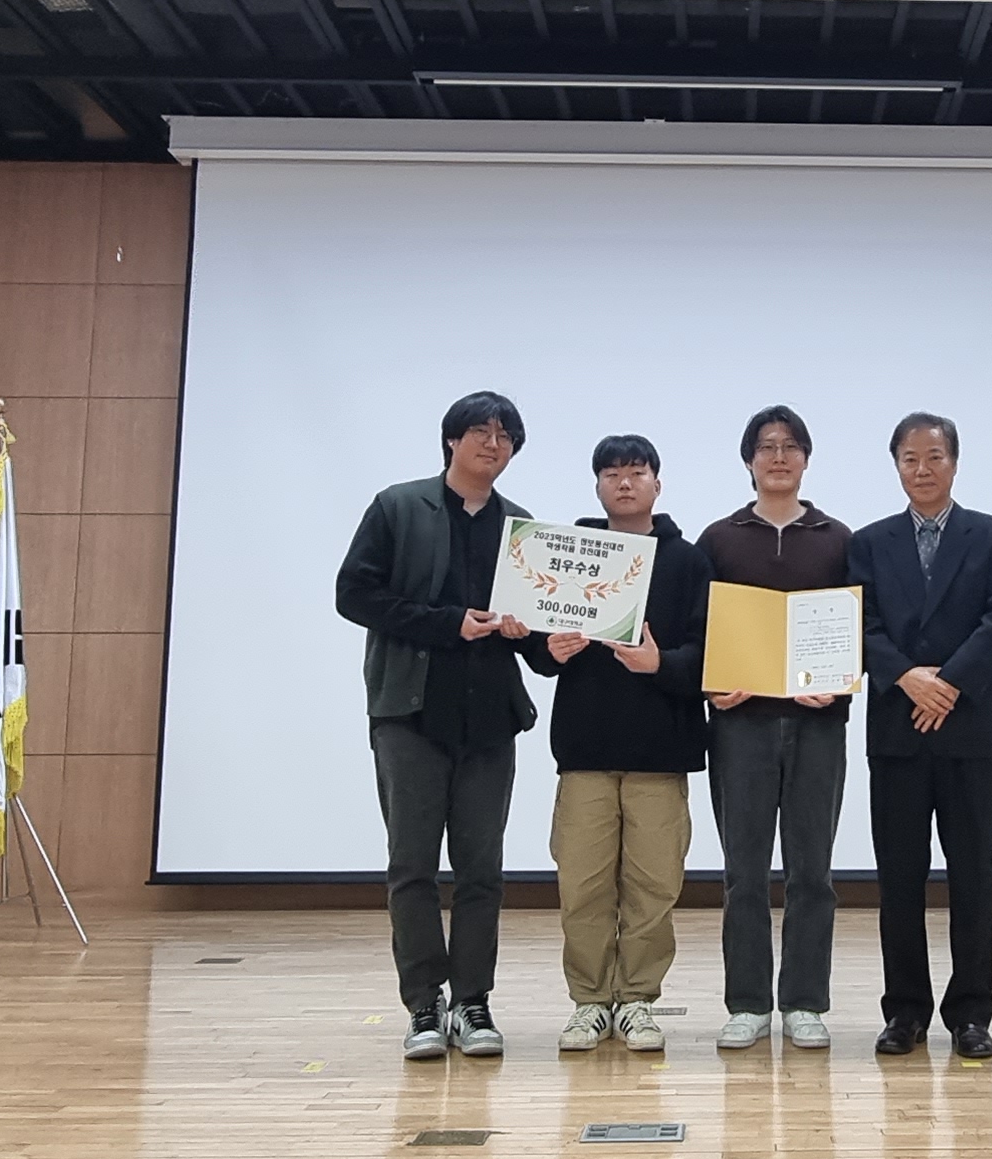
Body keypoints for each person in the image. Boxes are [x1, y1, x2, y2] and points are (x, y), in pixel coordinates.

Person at [331, 391, 539, 1062]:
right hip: (410, 713)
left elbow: (536, 640)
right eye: (480, 431)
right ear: (452, 439)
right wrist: (448, 623)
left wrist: (543, 640)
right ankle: (425, 1003)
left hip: (490, 720)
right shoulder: (398, 506)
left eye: (505, 435)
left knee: (482, 870)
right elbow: (354, 594)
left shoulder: (522, 529)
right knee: (412, 866)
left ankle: (473, 1001)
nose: (492, 444)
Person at [522, 436, 713, 1054]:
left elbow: (711, 652)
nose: (624, 483)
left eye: (636, 472)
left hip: (661, 750)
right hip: (585, 750)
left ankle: (636, 1001)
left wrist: (662, 663)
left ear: (658, 482)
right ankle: (588, 1002)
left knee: (654, 886)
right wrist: (546, 649)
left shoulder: (689, 561)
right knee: (582, 885)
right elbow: (537, 645)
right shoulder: (567, 555)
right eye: (611, 474)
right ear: (597, 486)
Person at [849, 412, 992, 1061]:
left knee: (973, 875)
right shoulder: (869, 542)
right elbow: (860, 623)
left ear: (954, 461)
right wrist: (906, 677)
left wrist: (946, 685)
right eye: (909, 459)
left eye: (934, 457)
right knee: (899, 877)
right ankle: (905, 1012)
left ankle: (971, 1014)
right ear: (896, 465)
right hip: (897, 729)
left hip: (972, 728)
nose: (922, 470)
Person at [694, 405, 855, 1051]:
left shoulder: (837, 538)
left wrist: (840, 679)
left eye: (791, 446)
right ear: (749, 460)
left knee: (813, 871)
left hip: (819, 725)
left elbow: (860, 629)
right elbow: (697, 629)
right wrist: (711, 683)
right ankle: (748, 1003)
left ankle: (805, 1002)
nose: (779, 456)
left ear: (807, 459)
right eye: (766, 447)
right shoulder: (719, 539)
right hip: (741, 726)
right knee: (744, 872)